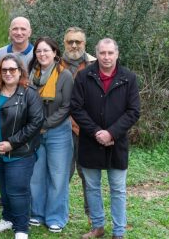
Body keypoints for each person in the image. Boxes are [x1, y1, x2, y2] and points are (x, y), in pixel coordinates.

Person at [71, 38, 140, 239]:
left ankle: (119, 232)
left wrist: (111, 133)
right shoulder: (84, 76)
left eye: (110, 53)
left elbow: (134, 111)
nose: (106, 57)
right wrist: (96, 132)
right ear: (96, 54)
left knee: (118, 189)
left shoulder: (128, 78)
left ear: (117, 54)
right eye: (102, 53)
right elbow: (76, 107)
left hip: (116, 143)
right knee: (92, 187)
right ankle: (98, 227)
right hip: (90, 141)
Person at [0, 54, 44, 239]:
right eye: (4, 69)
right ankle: (8, 218)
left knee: (17, 190)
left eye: (12, 69)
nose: (8, 73)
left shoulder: (29, 93)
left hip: (19, 153)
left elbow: (36, 123)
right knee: (5, 188)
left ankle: (21, 228)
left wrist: (11, 144)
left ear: (20, 72)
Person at [27, 37, 74, 233]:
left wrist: (45, 124)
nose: (42, 54)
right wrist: (35, 126)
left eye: (46, 50)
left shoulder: (65, 75)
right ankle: (37, 213)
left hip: (58, 132)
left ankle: (56, 217)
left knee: (58, 176)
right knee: (36, 176)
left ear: (55, 52)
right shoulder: (31, 74)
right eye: (39, 51)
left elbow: (67, 106)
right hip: (35, 133)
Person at [58, 27, 96, 219]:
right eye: (70, 41)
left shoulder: (95, 64)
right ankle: (58, 213)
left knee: (88, 174)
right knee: (62, 174)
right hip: (60, 127)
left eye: (78, 42)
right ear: (64, 42)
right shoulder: (55, 64)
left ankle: (92, 216)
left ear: (85, 44)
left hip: (87, 129)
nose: (74, 45)